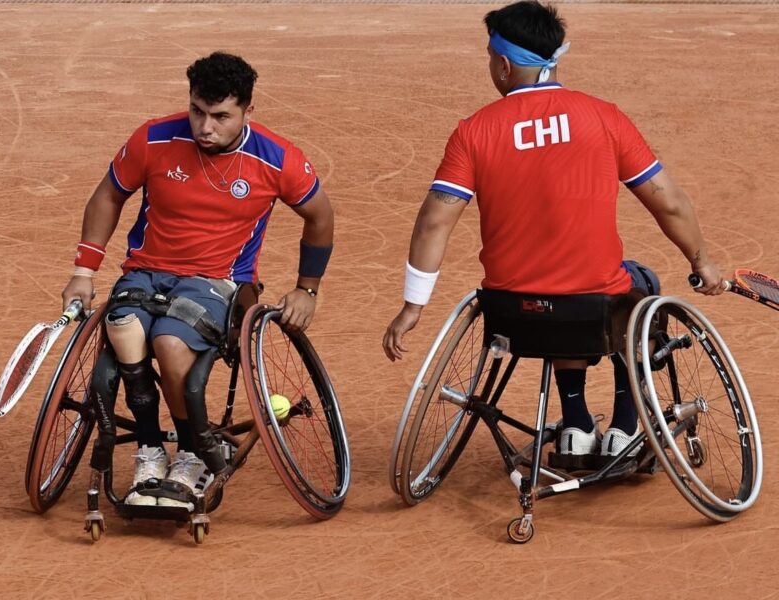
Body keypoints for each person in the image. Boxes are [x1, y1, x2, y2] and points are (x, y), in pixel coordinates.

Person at [382, 1, 725, 460]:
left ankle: (577, 424)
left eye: (490, 56)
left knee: (559, 294)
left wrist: (412, 305)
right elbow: (670, 202)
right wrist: (700, 260)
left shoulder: (474, 131)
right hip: (591, 308)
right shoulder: (603, 117)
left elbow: (433, 220)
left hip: (511, 315)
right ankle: (625, 427)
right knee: (639, 286)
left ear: (503, 64)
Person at [62, 52, 334, 508]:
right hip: (146, 272)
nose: (205, 127)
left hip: (219, 281)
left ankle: (191, 452)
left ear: (249, 110)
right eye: (197, 112)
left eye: (221, 116)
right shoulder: (153, 138)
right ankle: (150, 450)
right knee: (123, 330)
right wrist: (83, 271)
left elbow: (320, 216)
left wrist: (307, 289)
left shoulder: (277, 158)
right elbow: (109, 194)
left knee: (169, 344)